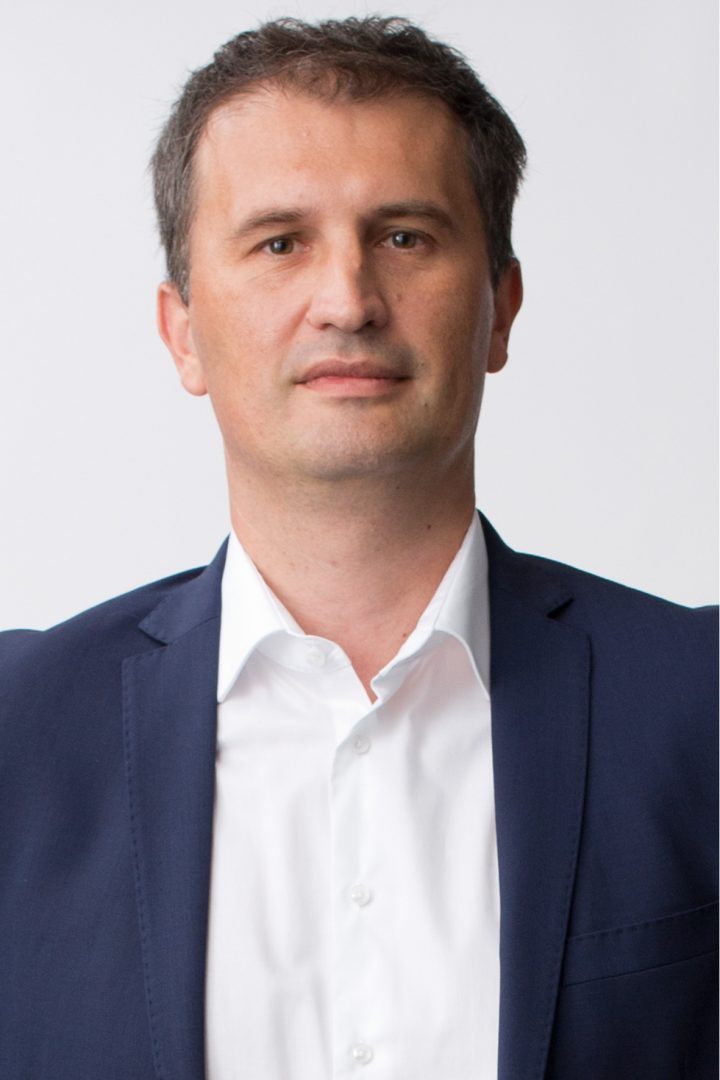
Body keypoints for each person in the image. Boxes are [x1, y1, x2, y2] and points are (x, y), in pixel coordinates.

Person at [0, 15, 716, 1080]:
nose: (348, 301)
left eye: (406, 237)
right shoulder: (16, 734)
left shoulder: (701, 706)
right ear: (183, 330)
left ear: (501, 309)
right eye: (280, 241)